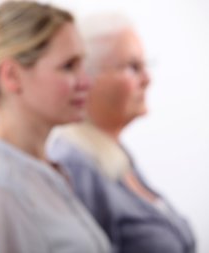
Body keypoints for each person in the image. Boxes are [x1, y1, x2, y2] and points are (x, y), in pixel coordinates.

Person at [0, 1, 111, 253]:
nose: (86, 81)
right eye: (69, 66)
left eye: (83, 65)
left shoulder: (43, 169)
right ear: (12, 76)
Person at [46, 12, 196, 253]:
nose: (147, 79)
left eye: (146, 65)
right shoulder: (75, 166)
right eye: (133, 67)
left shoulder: (115, 155)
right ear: (86, 78)